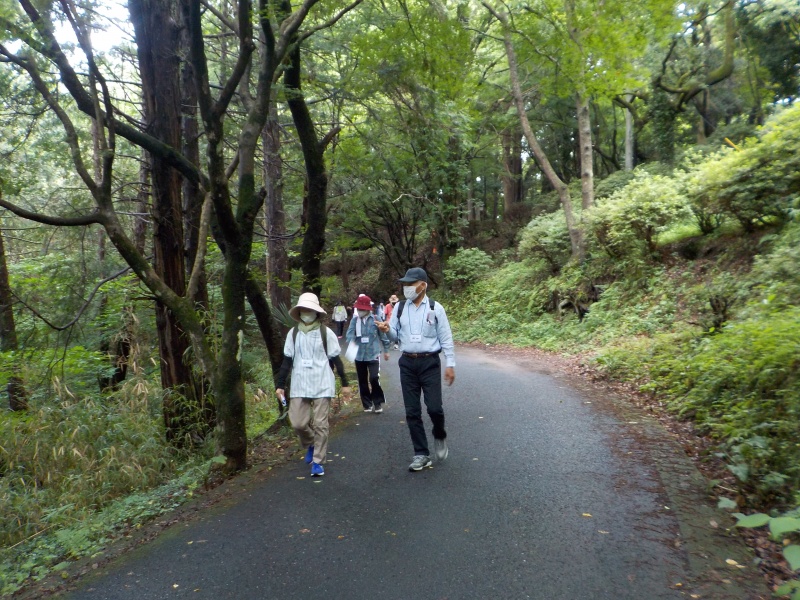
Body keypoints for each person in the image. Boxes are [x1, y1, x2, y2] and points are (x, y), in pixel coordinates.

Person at [376, 268, 455, 471]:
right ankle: (421, 453)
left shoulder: (436, 308)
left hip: (430, 363)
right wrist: (387, 330)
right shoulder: (400, 308)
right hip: (407, 363)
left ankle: (439, 434)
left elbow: (446, 337)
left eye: (411, 284)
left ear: (423, 285)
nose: (407, 288)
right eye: (405, 284)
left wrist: (450, 364)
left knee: (434, 408)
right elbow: (395, 335)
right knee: (412, 411)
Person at [275, 293, 351, 477]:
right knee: (298, 423)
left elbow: (336, 359)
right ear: (299, 312)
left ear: (316, 312)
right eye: (303, 309)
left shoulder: (326, 333)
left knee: (320, 424)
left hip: (322, 382)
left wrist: (345, 383)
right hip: (300, 383)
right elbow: (286, 361)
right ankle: (310, 443)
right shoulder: (293, 334)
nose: (306, 312)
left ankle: (318, 461)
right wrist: (280, 385)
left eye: (310, 309)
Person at [346, 294, 391, 413]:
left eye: (361, 309)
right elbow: (349, 334)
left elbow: (383, 335)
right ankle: (367, 404)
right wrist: (352, 340)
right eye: (358, 309)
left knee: (374, 378)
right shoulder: (355, 320)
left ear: (367, 309)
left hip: (373, 353)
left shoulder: (376, 318)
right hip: (359, 354)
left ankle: (377, 402)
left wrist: (386, 350)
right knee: (362, 380)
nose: (359, 311)